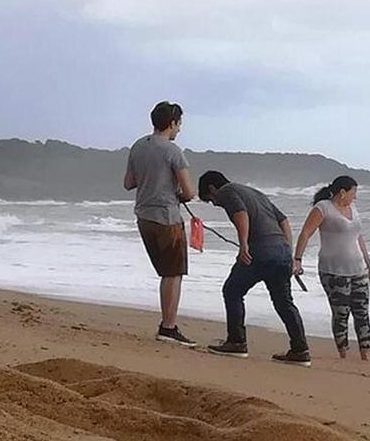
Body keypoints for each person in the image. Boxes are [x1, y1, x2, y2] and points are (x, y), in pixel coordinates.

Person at [197, 171, 311, 366]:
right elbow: (284, 220)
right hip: (281, 251)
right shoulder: (254, 192)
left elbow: (240, 213)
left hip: (261, 251)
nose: (214, 204)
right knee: (284, 301)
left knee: (232, 291)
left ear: (211, 188)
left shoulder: (227, 191)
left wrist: (244, 246)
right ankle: (300, 350)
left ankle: (237, 342)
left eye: (210, 200)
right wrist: (287, 250)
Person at [124, 101, 197, 346]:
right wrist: (176, 192)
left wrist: (151, 179)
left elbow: (129, 182)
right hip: (167, 217)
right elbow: (189, 192)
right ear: (172, 122)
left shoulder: (137, 146)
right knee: (173, 273)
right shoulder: (173, 151)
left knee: (166, 272)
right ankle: (168, 327)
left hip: (143, 216)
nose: (179, 130)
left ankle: (168, 325)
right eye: (179, 125)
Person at [293, 176, 370, 361]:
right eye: (353, 193)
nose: (355, 197)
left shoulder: (353, 209)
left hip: (358, 269)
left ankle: (365, 354)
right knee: (341, 313)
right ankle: (343, 354)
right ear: (342, 192)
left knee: (362, 312)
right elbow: (306, 233)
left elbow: (359, 237)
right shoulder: (323, 208)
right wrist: (297, 259)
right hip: (333, 270)